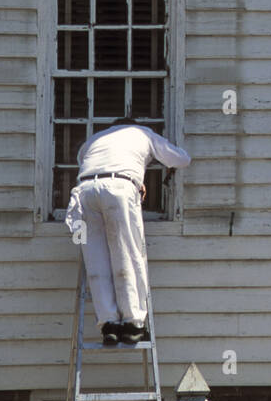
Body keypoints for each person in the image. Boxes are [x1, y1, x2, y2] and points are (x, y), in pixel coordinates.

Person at [65, 116, 191, 346]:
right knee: (128, 254)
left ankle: (109, 324)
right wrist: (145, 165)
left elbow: (87, 161)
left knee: (96, 259)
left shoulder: (95, 139)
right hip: (119, 189)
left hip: (84, 191)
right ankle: (133, 324)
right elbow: (181, 159)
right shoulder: (143, 133)